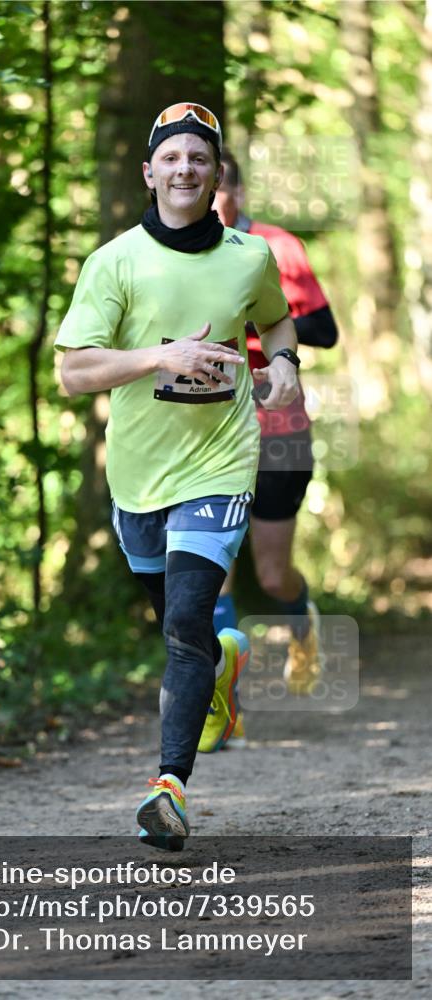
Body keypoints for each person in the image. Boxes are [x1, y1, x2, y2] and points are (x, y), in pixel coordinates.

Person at [55, 102, 299, 850]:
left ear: (215, 172)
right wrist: (159, 358)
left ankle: (169, 787)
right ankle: (220, 674)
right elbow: (71, 373)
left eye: (200, 158)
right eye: (173, 158)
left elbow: (276, 319)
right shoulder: (114, 262)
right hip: (137, 474)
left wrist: (283, 362)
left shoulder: (247, 256)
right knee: (174, 625)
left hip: (220, 462)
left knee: (189, 623)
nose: (186, 170)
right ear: (149, 171)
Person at [210, 149, 339, 741]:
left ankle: (301, 622)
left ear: (236, 192)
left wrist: (259, 326)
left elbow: (324, 330)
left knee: (271, 571)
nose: (207, 198)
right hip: (208, 435)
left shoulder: (276, 247)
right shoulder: (166, 256)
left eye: (219, 187)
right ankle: (221, 702)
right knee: (214, 572)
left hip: (280, 434)